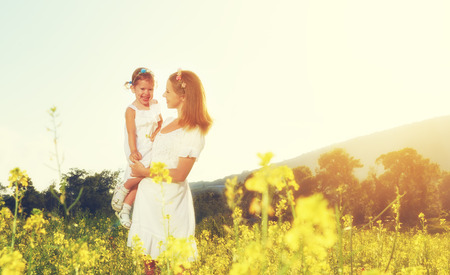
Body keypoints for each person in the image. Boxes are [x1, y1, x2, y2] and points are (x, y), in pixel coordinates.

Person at [128, 69, 212, 273]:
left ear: (183, 96)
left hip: (171, 204)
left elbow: (179, 174)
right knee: (148, 265)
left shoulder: (194, 130)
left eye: (167, 92)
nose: (163, 95)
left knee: (179, 266)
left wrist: (144, 172)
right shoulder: (166, 122)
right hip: (148, 200)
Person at [111, 67, 163, 229]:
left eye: (150, 89)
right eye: (142, 89)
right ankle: (124, 186)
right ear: (133, 88)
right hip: (138, 147)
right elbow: (131, 132)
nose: (146, 93)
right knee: (138, 172)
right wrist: (133, 150)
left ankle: (125, 209)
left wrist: (157, 131)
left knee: (144, 179)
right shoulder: (131, 110)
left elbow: (160, 123)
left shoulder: (155, 105)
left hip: (153, 147)